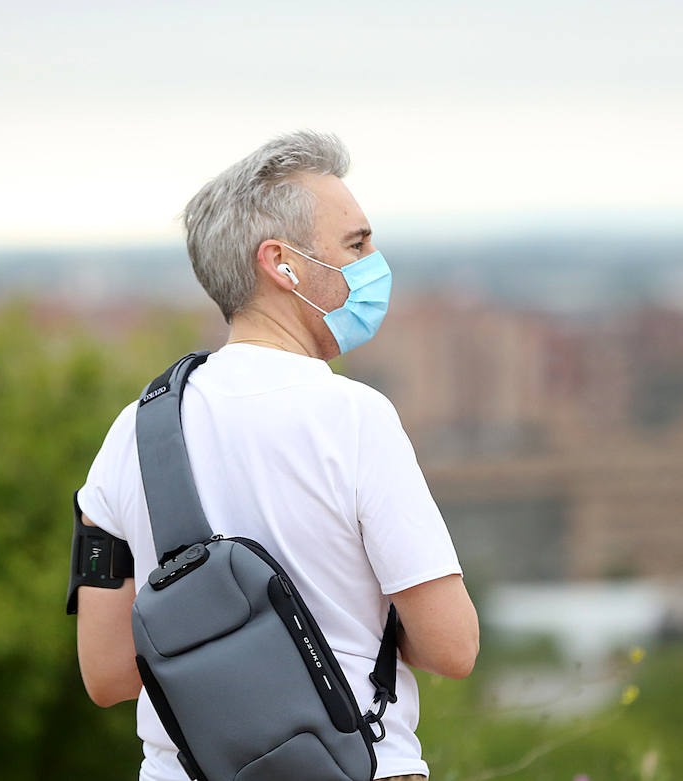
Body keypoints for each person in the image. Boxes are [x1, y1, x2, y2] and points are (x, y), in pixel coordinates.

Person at [72, 130, 480, 781]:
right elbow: (453, 646)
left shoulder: (131, 432)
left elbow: (107, 672)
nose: (375, 259)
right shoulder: (354, 419)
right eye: (356, 243)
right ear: (282, 263)